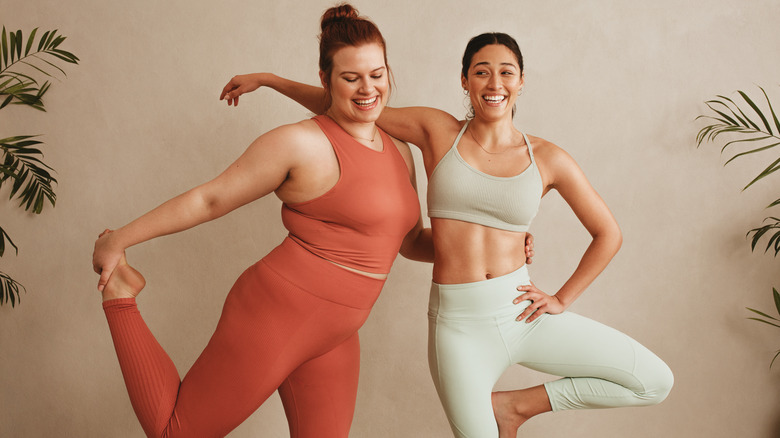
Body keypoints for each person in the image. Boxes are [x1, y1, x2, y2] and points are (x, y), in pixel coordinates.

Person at [221, 31, 673, 438]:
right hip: (458, 327)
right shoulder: (438, 131)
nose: (494, 83)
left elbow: (607, 233)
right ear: (465, 81)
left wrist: (562, 298)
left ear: (521, 82)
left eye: (506, 72)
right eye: (481, 72)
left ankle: (514, 406)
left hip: (521, 312)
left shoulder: (549, 158)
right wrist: (270, 79)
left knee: (654, 381)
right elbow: (351, 105)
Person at [92, 5, 439, 437]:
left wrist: (499, 245)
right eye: (351, 78)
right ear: (326, 79)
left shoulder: (398, 150)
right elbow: (210, 199)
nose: (368, 88)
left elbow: (409, 242)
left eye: (377, 73)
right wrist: (118, 240)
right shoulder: (299, 143)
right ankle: (121, 298)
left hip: (337, 333)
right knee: (175, 433)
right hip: (279, 312)